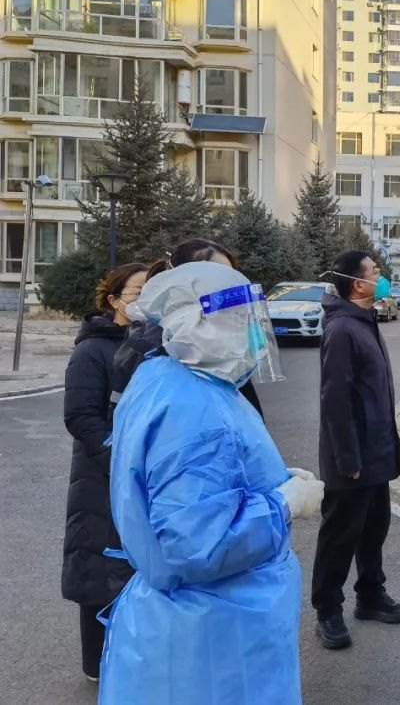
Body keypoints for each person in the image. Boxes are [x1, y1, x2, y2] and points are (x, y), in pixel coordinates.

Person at [100, 261, 324, 704]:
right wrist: (284, 501)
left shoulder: (170, 378)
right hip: (213, 636)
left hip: (199, 623)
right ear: (195, 326)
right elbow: (198, 544)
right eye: (240, 321)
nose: (255, 336)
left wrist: (272, 484)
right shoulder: (194, 409)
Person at [310, 251, 400, 650]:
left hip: (376, 453)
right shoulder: (342, 329)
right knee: (340, 536)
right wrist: (347, 457)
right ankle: (327, 610)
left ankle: (370, 595)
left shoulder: (364, 320)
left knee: (373, 528)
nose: (381, 276)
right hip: (351, 458)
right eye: (375, 271)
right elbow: (335, 400)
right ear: (357, 283)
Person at [61, 262, 147, 682]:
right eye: (137, 292)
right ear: (113, 300)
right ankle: (96, 664)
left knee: (136, 561)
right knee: (98, 561)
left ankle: (136, 656)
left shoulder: (152, 343)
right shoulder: (92, 350)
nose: (145, 300)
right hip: (102, 472)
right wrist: (120, 458)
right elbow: (80, 416)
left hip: (141, 470)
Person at [112, 239, 264, 417]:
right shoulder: (151, 352)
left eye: (231, 277)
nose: (228, 289)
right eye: (216, 277)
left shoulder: (218, 349)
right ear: (181, 284)